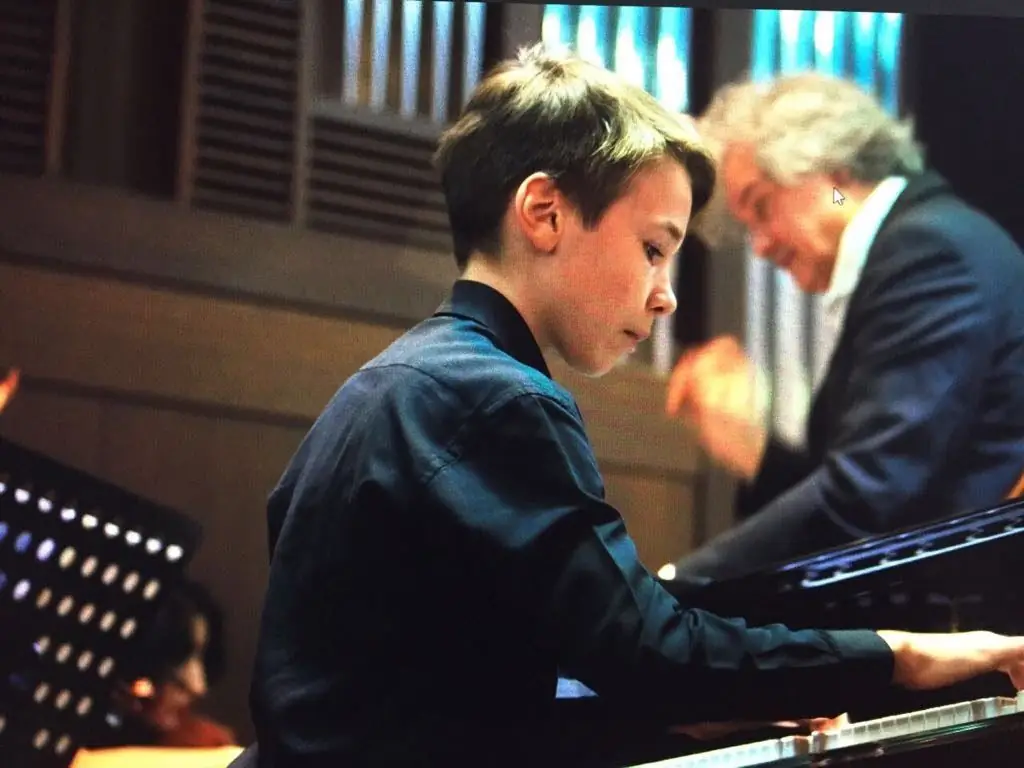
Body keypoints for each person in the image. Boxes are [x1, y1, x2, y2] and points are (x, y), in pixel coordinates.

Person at [233, 47, 1024, 768]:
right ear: (543, 212)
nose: (666, 293)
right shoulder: (494, 397)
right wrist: (900, 655)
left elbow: (459, 709)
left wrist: (690, 711)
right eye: (654, 246)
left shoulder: (408, 379)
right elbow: (643, 649)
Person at [665, 72, 1024, 582]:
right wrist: (755, 450)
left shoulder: (930, 251)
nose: (761, 247)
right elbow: (877, 497)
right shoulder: (912, 244)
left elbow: (869, 496)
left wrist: (678, 584)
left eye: (762, 207)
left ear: (833, 174)